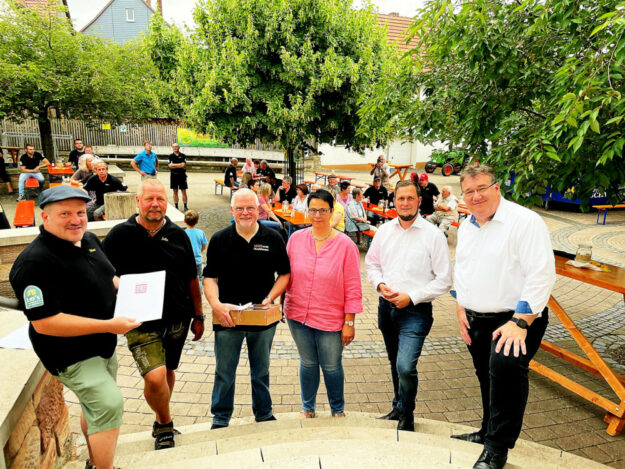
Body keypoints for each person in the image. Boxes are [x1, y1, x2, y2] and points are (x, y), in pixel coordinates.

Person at [9, 186, 140, 469]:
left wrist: (137, 292)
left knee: (95, 407)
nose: (76, 219)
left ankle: (94, 461)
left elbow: (109, 278)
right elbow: (45, 323)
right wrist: (109, 324)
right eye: (65, 213)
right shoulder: (34, 262)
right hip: (71, 353)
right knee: (107, 403)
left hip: (102, 344)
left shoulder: (89, 239)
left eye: (80, 212)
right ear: (44, 217)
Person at [451, 165, 555, 469]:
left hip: (517, 319)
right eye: (469, 191)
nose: (475, 195)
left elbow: (541, 274)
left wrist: (520, 322)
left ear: (497, 188)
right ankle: (486, 431)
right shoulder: (468, 225)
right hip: (475, 318)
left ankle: (496, 448)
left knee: (505, 371)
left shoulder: (525, 221)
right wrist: (460, 309)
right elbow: (463, 270)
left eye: (481, 188)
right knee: (486, 377)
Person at [102, 179, 205, 450]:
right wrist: (117, 288)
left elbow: (192, 278)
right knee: (155, 376)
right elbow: (102, 273)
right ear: (138, 201)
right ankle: (165, 424)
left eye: (160, 199)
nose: (155, 204)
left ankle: (160, 416)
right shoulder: (119, 235)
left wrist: (199, 315)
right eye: (149, 199)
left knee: (168, 370)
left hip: (176, 318)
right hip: (138, 320)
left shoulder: (178, 234)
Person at [365, 180, 452, 432]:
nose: (405, 203)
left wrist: (411, 297)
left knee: (405, 366)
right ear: (394, 201)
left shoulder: (433, 235)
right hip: (386, 308)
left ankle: (407, 414)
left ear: (419, 200)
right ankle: (398, 406)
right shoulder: (384, 231)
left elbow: (444, 280)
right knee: (395, 363)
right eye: (400, 198)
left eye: (410, 198)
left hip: (416, 312)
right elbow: (372, 265)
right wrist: (380, 285)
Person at [204, 188, 291, 429]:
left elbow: (285, 274)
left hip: (261, 318)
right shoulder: (220, 239)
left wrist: (271, 297)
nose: (245, 212)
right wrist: (216, 306)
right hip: (228, 316)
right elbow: (209, 277)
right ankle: (221, 417)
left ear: (258, 209)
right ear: (232, 210)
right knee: (224, 371)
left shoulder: (273, 237)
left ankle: (263, 413)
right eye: (240, 208)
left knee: (261, 370)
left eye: (250, 208)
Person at [284, 189, 362, 418]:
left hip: (331, 318)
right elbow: (285, 275)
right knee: (307, 363)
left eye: (323, 210)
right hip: (297, 315)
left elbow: (353, 287)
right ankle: (308, 408)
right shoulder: (296, 239)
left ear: (332, 211)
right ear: (307, 211)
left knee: (331, 366)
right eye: (313, 210)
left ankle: (337, 409)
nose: (317, 215)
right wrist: (275, 302)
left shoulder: (346, 245)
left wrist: (350, 321)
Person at [184, 210, 208, 292]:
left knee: (187, 278)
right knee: (199, 278)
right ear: (197, 222)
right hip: (197, 260)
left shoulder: (183, 233)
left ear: (184, 221)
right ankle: (199, 294)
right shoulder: (200, 233)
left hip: (186, 260)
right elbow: (204, 245)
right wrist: (199, 251)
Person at [168, 143, 188, 211]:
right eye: (173, 146)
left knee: (183, 191)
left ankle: (185, 206)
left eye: (176, 146)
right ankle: (176, 206)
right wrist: (179, 165)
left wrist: (174, 165)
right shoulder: (170, 156)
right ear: (172, 147)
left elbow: (183, 165)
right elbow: (169, 166)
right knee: (175, 191)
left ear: (179, 147)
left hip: (182, 175)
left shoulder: (183, 156)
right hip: (173, 175)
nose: (175, 148)